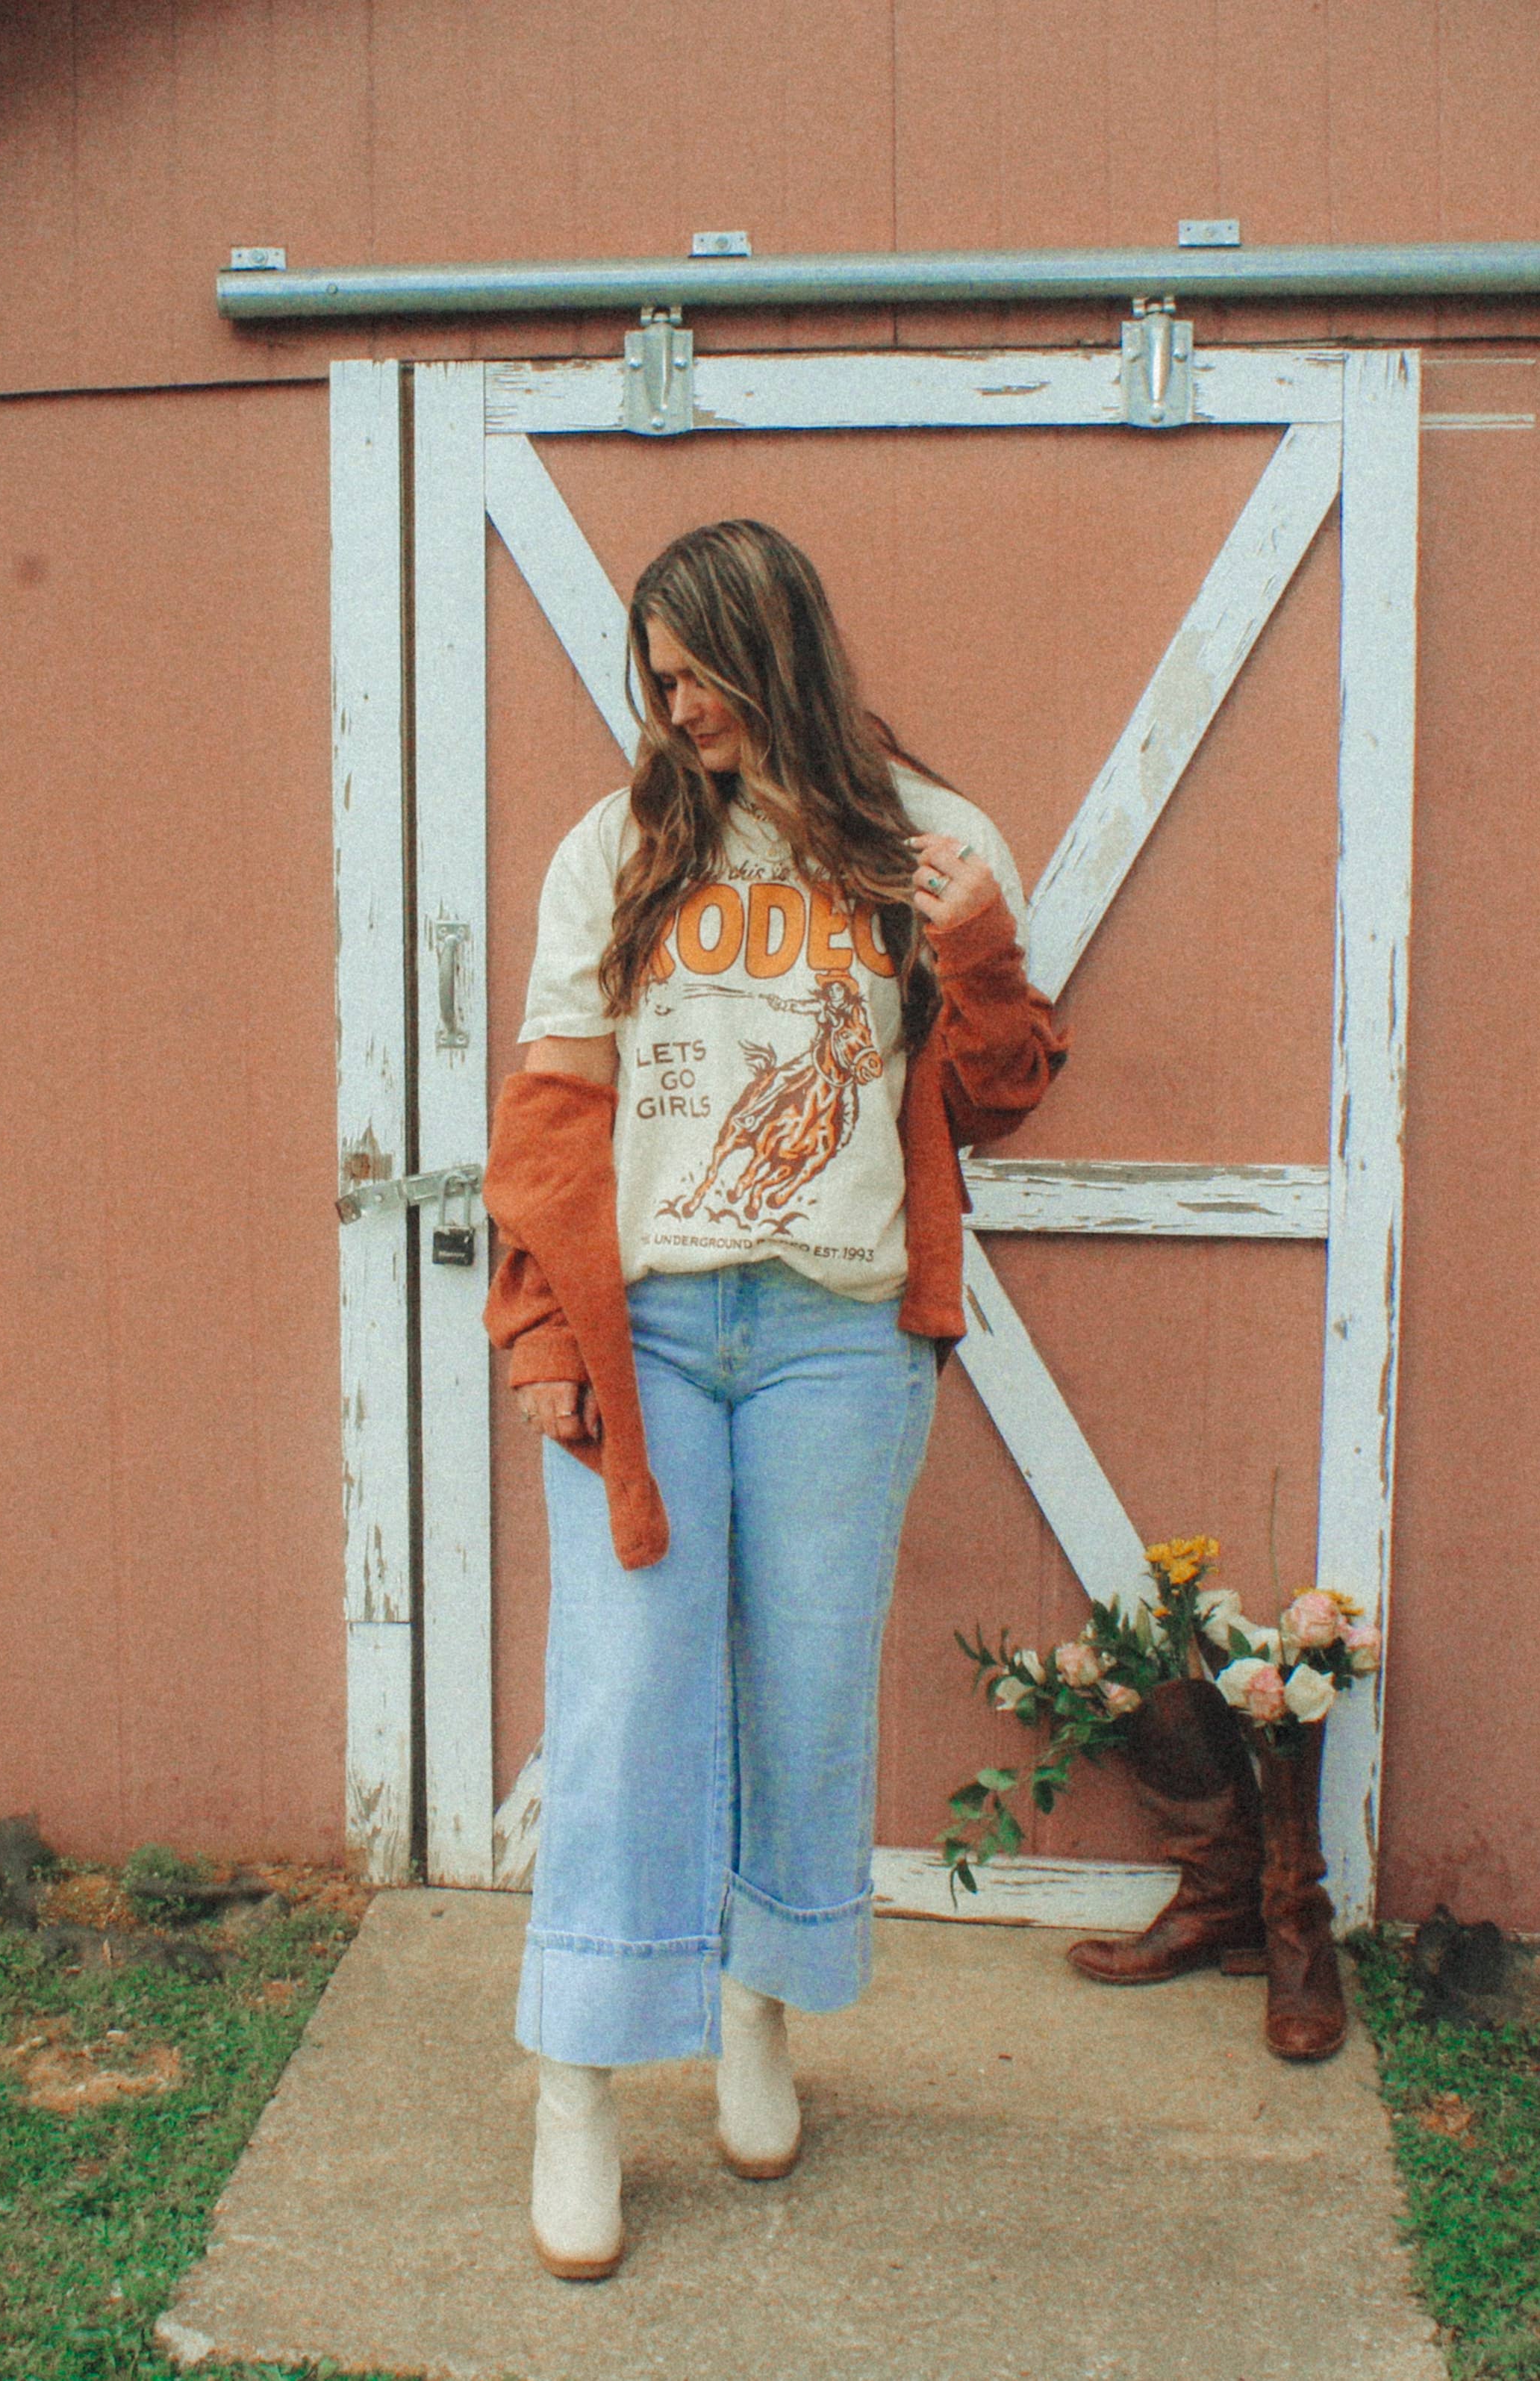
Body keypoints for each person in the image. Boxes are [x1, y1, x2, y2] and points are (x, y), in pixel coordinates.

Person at [480, 518, 1068, 2281]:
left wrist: (971, 960)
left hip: (834, 1334)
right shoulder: (614, 849)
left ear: (772, 648)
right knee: (623, 1695)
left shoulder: (932, 842)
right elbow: (551, 1120)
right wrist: (540, 1333)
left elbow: (1003, 1093)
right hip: (649, 1332)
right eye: (648, 680)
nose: (668, 711)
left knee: (804, 1687)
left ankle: (752, 2001)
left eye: (693, 674)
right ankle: (576, 2078)